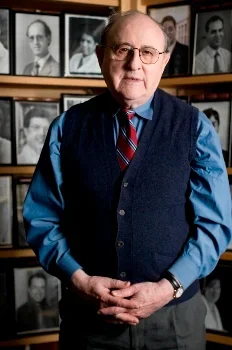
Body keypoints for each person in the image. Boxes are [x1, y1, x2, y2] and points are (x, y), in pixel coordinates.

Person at [23, 10, 232, 350]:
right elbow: (42, 219)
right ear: (100, 56)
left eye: (148, 52)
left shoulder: (195, 128)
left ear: (163, 62)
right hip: (87, 322)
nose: (135, 64)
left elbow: (214, 225)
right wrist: (80, 280)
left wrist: (167, 288)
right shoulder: (66, 128)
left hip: (175, 322)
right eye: (123, 50)